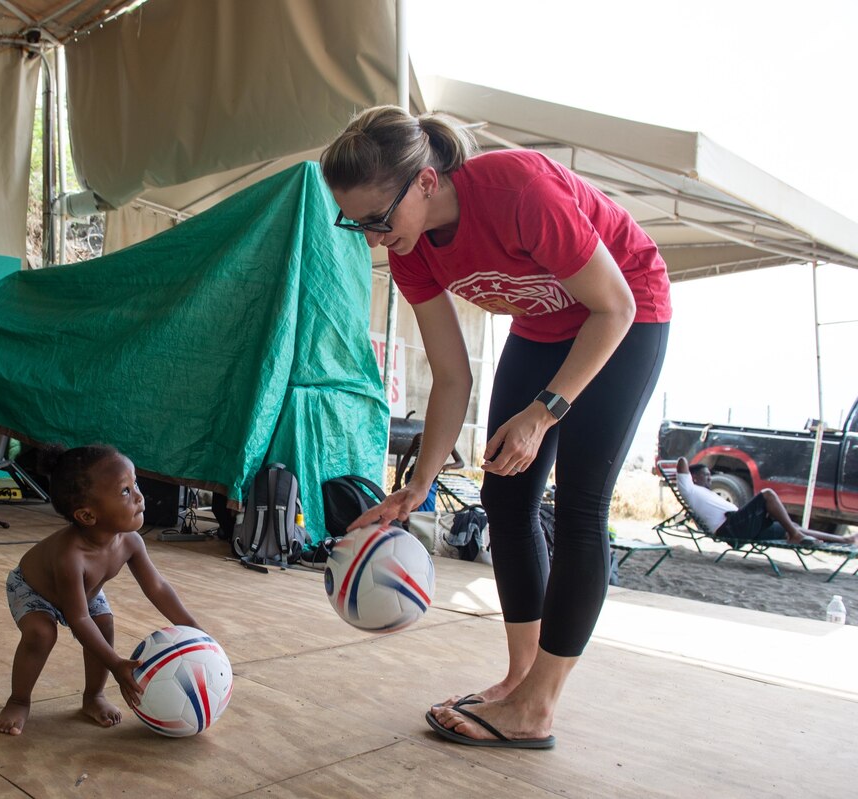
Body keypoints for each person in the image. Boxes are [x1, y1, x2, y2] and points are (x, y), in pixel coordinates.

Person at [320, 106, 672, 749]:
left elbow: (613, 304)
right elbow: (452, 377)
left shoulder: (517, 193)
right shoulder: (412, 251)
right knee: (505, 498)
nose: (371, 238)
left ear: (425, 182)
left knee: (580, 506)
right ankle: (517, 680)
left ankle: (540, 703)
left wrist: (544, 413)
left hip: (624, 313)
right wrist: (417, 485)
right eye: (356, 223)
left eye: (377, 219)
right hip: (543, 327)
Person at [0, 444, 204, 735]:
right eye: (125, 491)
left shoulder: (130, 541)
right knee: (41, 633)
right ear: (88, 516)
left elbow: (156, 586)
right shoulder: (71, 556)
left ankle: (93, 696)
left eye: (135, 483)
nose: (140, 496)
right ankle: (19, 700)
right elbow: (78, 619)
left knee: (104, 623)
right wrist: (117, 664)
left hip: (86, 590)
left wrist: (192, 627)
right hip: (33, 588)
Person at [676, 457, 857, 545]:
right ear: (694, 478)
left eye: (709, 475)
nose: (710, 479)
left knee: (791, 527)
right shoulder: (690, 489)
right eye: (705, 476)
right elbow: (682, 461)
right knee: (768, 494)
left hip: (741, 526)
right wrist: (689, 473)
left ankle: (843, 540)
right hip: (731, 529)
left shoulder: (707, 492)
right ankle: (795, 535)